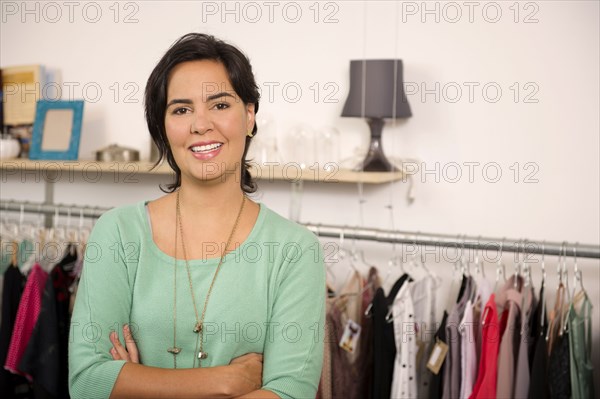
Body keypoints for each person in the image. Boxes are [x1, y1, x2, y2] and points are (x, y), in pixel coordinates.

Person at [68, 33, 326, 399]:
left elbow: (289, 392)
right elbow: (88, 384)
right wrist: (227, 381)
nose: (200, 124)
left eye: (220, 105)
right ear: (163, 127)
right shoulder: (119, 234)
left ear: (249, 116)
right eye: (181, 109)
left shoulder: (295, 251)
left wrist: (137, 381)